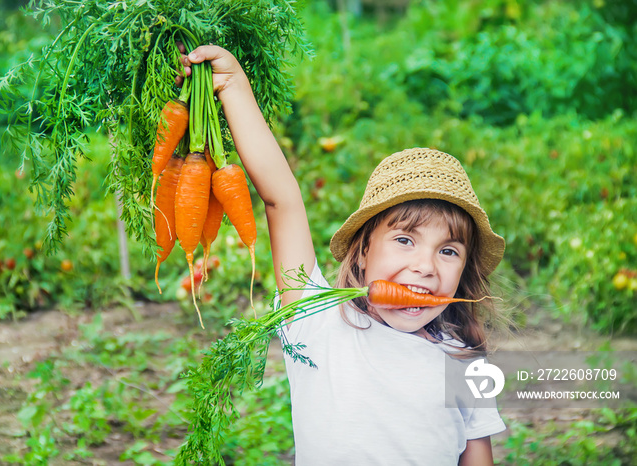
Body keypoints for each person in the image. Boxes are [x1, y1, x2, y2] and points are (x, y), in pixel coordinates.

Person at [179, 45, 507, 465]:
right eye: (405, 240)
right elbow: (282, 199)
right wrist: (233, 87)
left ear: (464, 272)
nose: (425, 266)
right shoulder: (316, 320)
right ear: (364, 250)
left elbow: (478, 458)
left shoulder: (464, 358)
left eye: (447, 251)